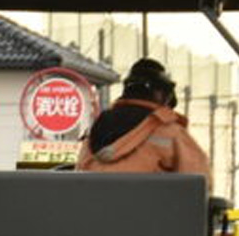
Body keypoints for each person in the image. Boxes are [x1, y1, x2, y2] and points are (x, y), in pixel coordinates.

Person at [78, 59, 209, 176]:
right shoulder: (170, 132)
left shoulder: (96, 129)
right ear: (160, 94)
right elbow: (198, 183)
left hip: (97, 202)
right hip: (154, 203)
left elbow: (81, 172)